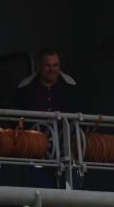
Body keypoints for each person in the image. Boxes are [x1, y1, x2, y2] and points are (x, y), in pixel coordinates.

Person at [11, 49, 81, 189]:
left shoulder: (70, 87)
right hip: (36, 151)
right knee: (38, 191)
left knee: (71, 190)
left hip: (66, 149)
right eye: (47, 65)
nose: (52, 69)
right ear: (39, 66)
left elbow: (79, 116)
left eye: (55, 65)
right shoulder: (26, 88)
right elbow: (15, 119)